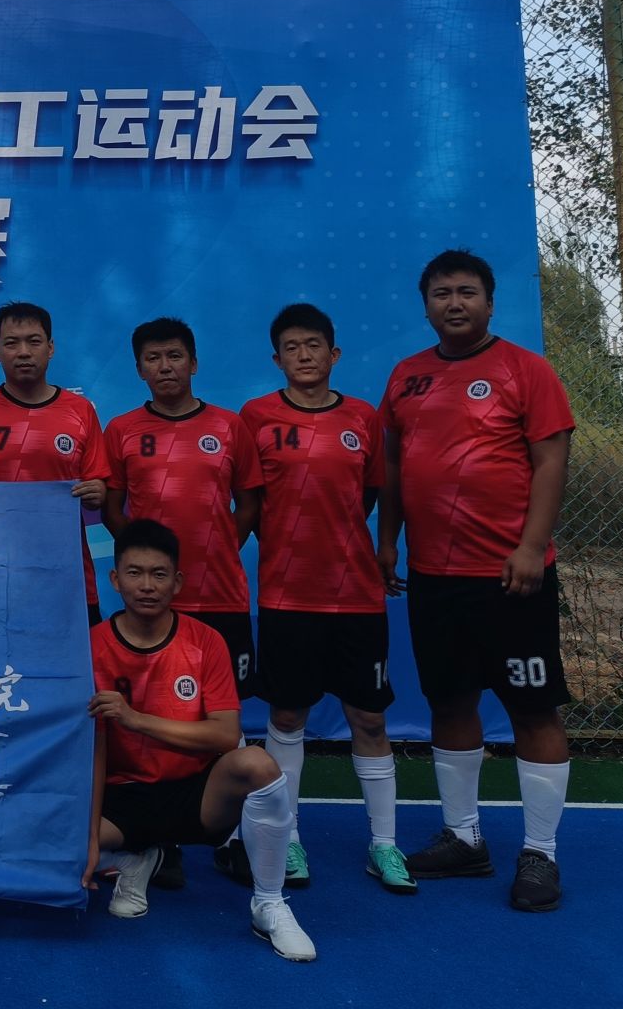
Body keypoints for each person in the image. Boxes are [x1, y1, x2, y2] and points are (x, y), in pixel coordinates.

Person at [378, 250, 575, 912]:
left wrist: (531, 547)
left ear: (490, 303)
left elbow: (551, 462)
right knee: (450, 702)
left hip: (511, 577)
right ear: (426, 305)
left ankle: (540, 853)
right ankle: (464, 839)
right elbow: (395, 468)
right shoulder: (406, 376)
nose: (454, 303)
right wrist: (388, 540)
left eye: (467, 292)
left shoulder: (526, 370)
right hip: (435, 577)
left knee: (533, 710)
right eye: (442, 293)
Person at [236, 304, 412, 894]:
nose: (304, 355)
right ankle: (287, 838)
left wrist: (352, 546)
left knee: (370, 717)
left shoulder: (362, 417)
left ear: (334, 354)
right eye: (291, 347)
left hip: (356, 596)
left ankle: (384, 845)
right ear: (277, 358)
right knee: (287, 717)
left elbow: (367, 497)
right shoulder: (256, 416)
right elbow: (252, 503)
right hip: (287, 596)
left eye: (314, 345)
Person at [85, 520, 316, 962]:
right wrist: (91, 841)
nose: (146, 585)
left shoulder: (205, 641)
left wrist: (136, 719)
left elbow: (225, 734)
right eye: (134, 573)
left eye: (158, 574)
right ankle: (133, 858)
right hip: (122, 794)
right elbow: (92, 749)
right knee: (59, 847)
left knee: (257, 764)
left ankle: (269, 904)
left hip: (196, 796)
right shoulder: (91, 647)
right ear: (115, 579)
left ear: (177, 582)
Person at [102, 317, 264, 889]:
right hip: (153, 605)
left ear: (193, 363)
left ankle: (235, 836)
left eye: (174, 356)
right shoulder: (122, 430)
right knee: (156, 712)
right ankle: (162, 839)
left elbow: (249, 503)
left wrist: (217, 549)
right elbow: (113, 508)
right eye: (153, 358)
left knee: (226, 715)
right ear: (139, 368)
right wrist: (148, 565)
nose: (165, 366)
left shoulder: (229, 426)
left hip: (219, 595)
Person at [0, 302, 111, 621]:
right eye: (11, 343)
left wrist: (98, 492)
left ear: (50, 348)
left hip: (66, 574)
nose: (23, 352)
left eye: (33, 341)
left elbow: (99, 488)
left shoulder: (80, 411)